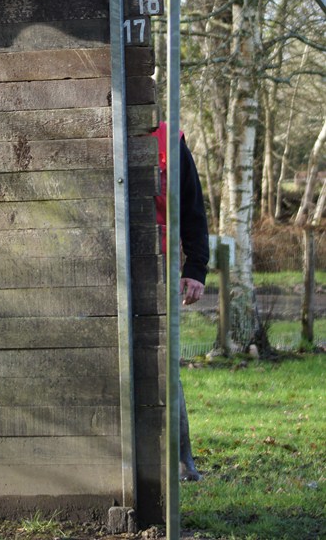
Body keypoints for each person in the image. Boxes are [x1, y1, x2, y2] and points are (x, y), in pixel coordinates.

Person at [154, 120, 210, 481]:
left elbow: (192, 208)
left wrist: (196, 267)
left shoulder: (170, 142)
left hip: (158, 268)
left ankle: (182, 459)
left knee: (166, 361)